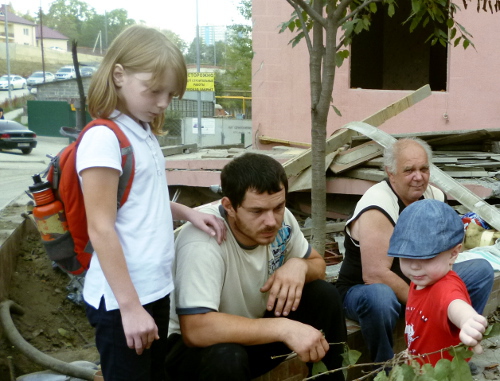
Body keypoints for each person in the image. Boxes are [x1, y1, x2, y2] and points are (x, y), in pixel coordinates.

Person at [77, 25, 225, 381]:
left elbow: (143, 201)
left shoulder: (141, 132)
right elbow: (100, 226)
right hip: (122, 299)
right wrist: (130, 308)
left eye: (170, 95)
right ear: (118, 75)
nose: (162, 103)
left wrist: (187, 212)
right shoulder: (103, 139)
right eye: (154, 90)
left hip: (154, 289)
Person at [165, 153, 347, 381]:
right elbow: (196, 329)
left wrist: (298, 265)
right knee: (227, 357)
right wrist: (284, 328)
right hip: (196, 353)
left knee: (324, 296)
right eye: (257, 211)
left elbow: (318, 265)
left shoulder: (282, 219)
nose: (271, 221)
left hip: (251, 331)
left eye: (278, 207)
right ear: (229, 206)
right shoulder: (203, 241)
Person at [335, 137, 494, 363]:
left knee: (481, 270)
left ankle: (457, 350)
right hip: (362, 290)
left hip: (419, 281)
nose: (418, 177)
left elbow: (445, 249)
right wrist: (426, 304)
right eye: (409, 170)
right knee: (380, 297)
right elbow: (375, 274)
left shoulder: (434, 196)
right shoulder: (377, 205)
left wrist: (439, 298)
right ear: (391, 173)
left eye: (423, 169)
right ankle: (385, 368)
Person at [388, 199, 487, 365]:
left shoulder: (444, 287)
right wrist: (412, 350)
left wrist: (467, 320)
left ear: (453, 253)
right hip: (420, 367)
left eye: (426, 257)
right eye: (405, 256)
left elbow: (455, 304)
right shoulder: (420, 279)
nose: (414, 266)